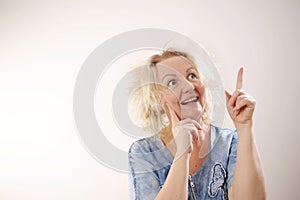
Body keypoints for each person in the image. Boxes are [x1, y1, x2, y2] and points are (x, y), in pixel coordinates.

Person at [128, 49, 266, 200]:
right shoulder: (144, 152)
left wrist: (244, 126)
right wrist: (182, 152)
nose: (189, 86)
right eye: (172, 82)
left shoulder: (230, 142)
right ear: (159, 100)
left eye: (192, 76)